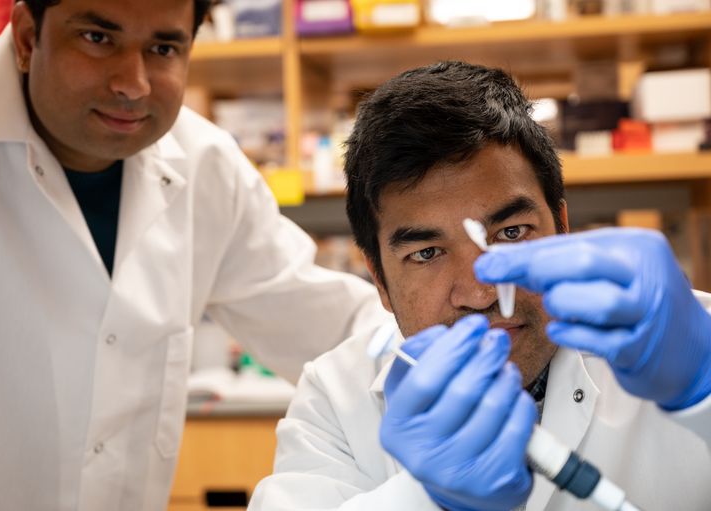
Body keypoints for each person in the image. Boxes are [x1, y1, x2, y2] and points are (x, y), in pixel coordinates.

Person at [0, 1, 389, 509]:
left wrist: (453, 351)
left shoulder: (204, 165)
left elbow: (326, 321)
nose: (132, 83)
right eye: (97, 37)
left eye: (163, 48)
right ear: (27, 36)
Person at [249, 60, 711, 510]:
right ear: (381, 282)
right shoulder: (336, 399)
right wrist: (428, 500)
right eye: (426, 254)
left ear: (561, 228)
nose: (481, 292)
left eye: (511, 233)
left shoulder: (684, 340)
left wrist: (703, 399)